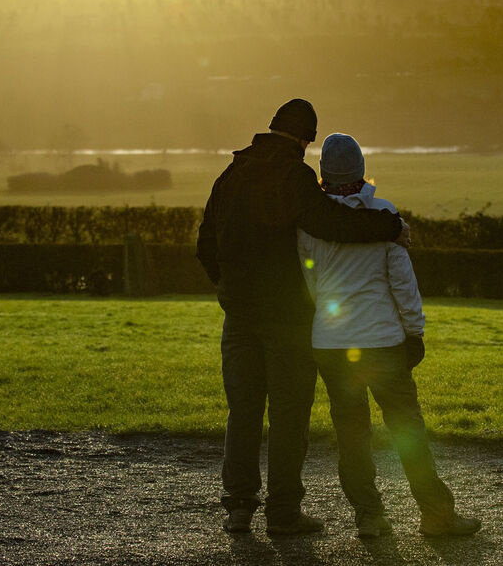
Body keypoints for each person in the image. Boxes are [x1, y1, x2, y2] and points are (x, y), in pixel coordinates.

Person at [196, 99, 410, 536]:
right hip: (287, 318)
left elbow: (205, 246)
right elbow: (328, 222)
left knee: (243, 411)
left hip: (238, 315)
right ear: (305, 138)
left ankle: (239, 508)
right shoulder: (293, 176)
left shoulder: (230, 175)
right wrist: (389, 225)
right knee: (289, 415)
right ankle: (284, 513)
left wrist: (230, 288)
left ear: (272, 127)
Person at [298, 133, 481, 538]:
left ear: (323, 175)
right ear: (361, 169)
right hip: (382, 341)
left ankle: (370, 516)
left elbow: (310, 281)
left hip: (330, 343)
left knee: (351, 433)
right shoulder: (384, 215)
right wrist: (414, 331)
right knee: (406, 428)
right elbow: (402, 283)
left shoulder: (310, 223)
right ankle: (436, 514)